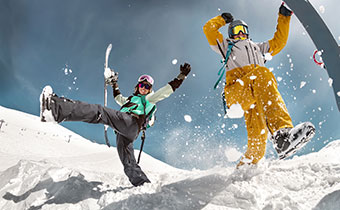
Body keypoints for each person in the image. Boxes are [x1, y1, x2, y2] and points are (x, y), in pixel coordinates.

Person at [39, 63, 191, 186]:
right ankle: (143, 185)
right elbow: (118, 97)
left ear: (150, 89)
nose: (143, 88)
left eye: (147, 87)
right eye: (141, 86)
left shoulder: (150, 99)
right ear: (137, 87)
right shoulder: (130, 100)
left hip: (131, 123)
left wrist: (181, 76)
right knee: (128, 162)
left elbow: (167, 90)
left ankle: (55, 109)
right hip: (123, 133)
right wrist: (114, 84)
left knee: (101, 112)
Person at [203, 4, 315, 167]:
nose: (240, 33)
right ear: (231, 35)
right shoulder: (227, 47)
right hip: (237, 91)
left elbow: (279, 41)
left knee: (258, 140)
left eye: (243, 30)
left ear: (248, 32)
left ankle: (244, 169)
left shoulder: (258, 48)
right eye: (236, 31)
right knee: (262, 74)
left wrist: (284, 16)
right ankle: (282, 134)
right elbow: (209, 30)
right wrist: (221, 20)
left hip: (254, 94)